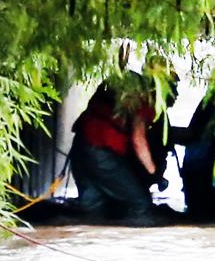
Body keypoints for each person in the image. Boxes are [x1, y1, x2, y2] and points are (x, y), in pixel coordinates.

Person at [69, 72, 165, 223]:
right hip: (101, 153)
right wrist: (155, 174)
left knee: (93, 207)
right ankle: (139, 235)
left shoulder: (114, 83)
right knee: (141, 203)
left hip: (80, 147)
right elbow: (138, 140)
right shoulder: (145, 98)